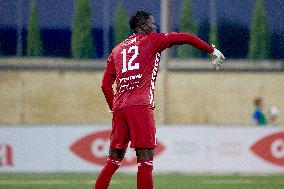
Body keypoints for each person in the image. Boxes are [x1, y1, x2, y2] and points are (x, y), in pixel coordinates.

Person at [95, 11, 225, 189]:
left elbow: (105, 85)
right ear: (142, 25)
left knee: (113, 160)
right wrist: (211, 50)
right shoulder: (153, 40)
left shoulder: (116, 50)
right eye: (152, 23)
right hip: (140, 106)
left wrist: (114, 107)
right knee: (145, 161)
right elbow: (186, 37)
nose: (155, 27)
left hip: (120, 108)